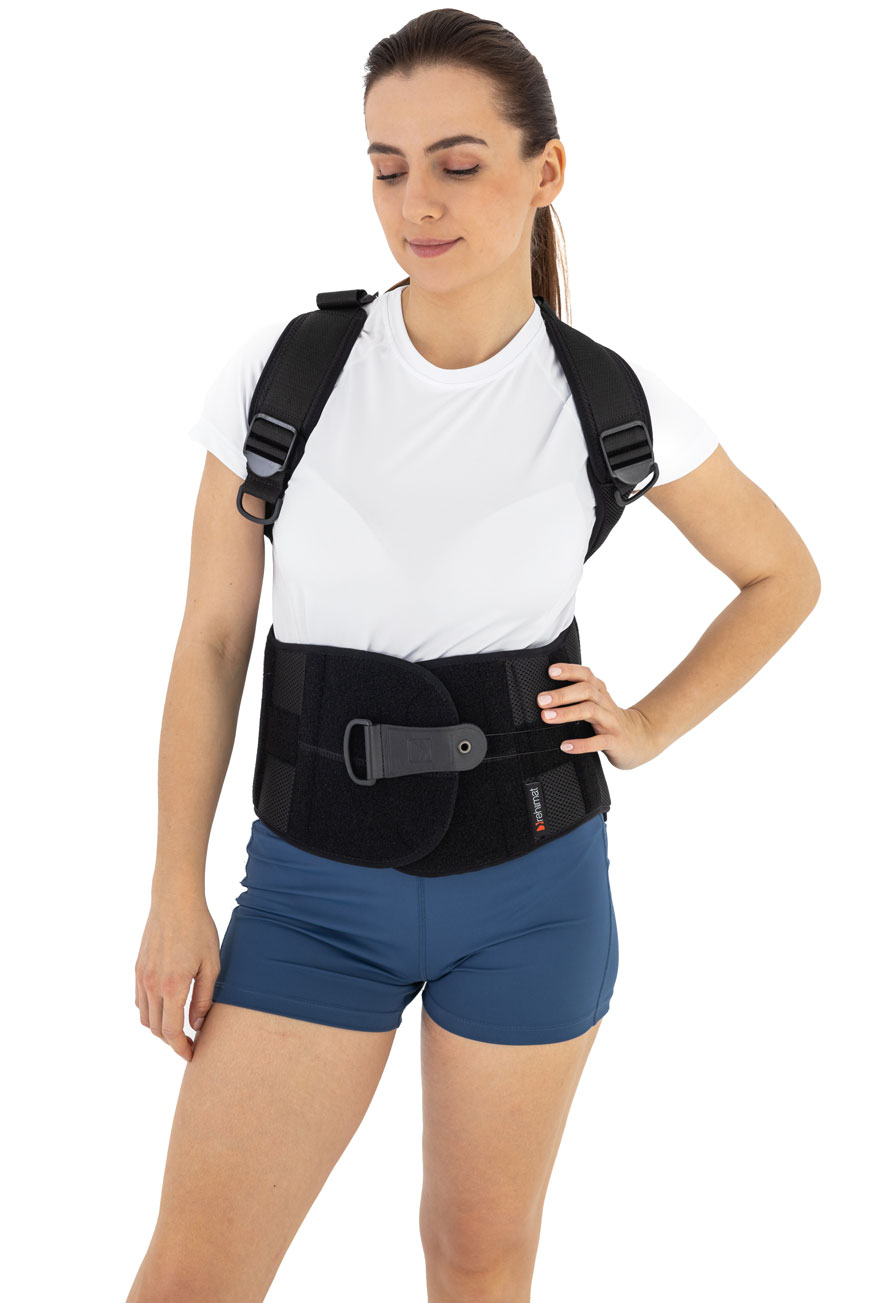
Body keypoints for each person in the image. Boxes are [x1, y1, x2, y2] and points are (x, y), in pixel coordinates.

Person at [126, 11, 821, 1303]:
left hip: (535, 892)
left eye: (457, 164)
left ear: (545, 170)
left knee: (478, 1260)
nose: (417, 204)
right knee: (195, 1278)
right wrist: (176, 889)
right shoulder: (287, 376)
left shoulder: (609, 401)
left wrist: (650, 724)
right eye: (386, 167)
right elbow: (212, 641)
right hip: (310, 895)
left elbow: (783, 576)